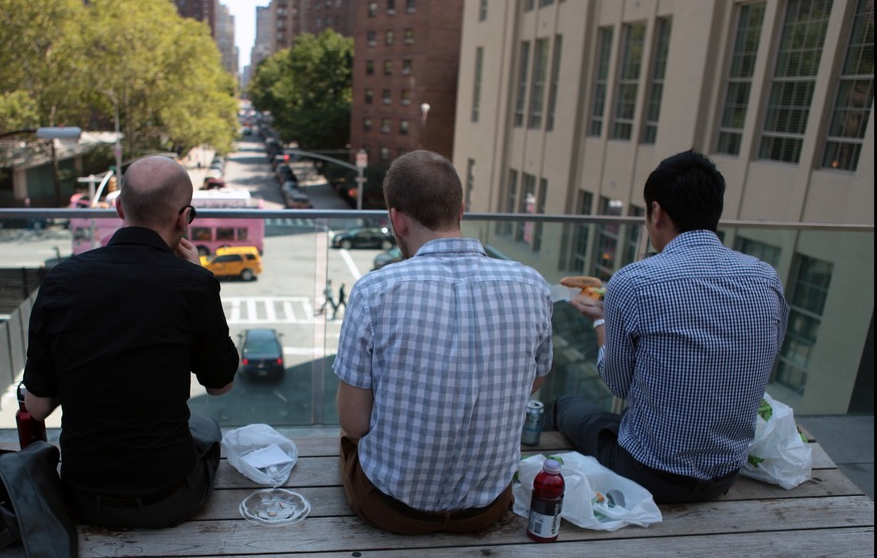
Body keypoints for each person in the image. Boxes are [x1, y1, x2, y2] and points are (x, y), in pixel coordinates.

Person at [549, 149, 789, 505]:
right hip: (725, 475)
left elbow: (617, 382)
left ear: (657, 212)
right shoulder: (766, 278)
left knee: (564, 406)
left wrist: (601, 318)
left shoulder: (633, 282)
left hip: (651, 472)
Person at [333, 150, 554, 535]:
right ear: (461, 210)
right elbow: (533, 382)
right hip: (487, 508)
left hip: (392, 510)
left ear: (397, 219)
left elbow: (354, 424)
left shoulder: (375, 290)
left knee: (347, 439)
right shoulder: (532, 285)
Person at [22, 155, 239, 529]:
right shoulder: (192, 284)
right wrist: (197, 279)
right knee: (205, 425)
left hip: (81, 497)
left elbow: (38, 408)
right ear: (183, 218)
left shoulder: (61, 281)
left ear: (119, 207)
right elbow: (220, 385)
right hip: (170, 498)